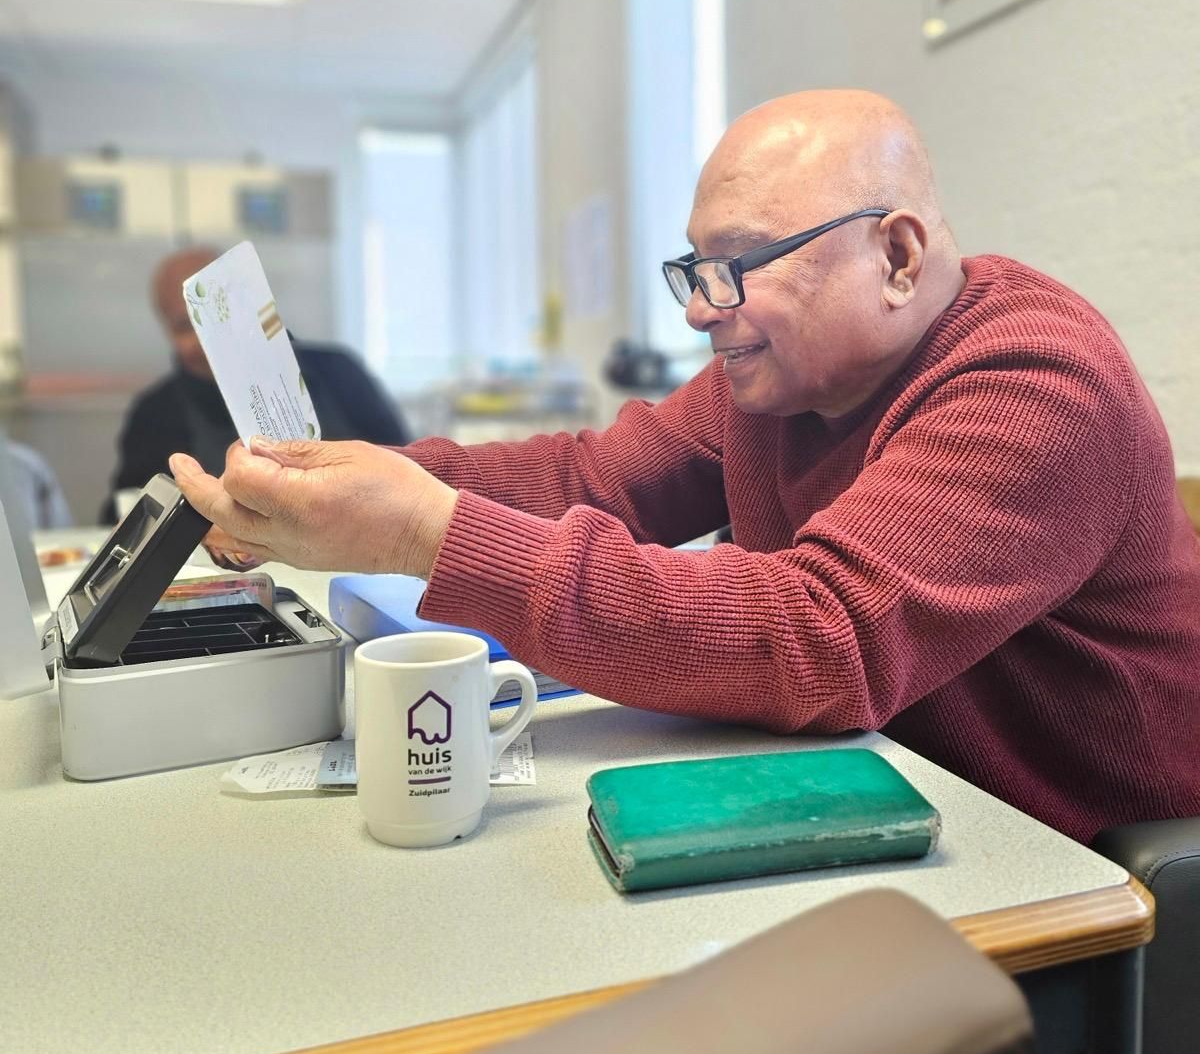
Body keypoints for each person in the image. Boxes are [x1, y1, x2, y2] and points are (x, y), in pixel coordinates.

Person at [170, 90, 1200, 843]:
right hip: (901, 796)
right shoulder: (779, 380)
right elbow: (591, 479)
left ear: (895, 255)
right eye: (696, 269)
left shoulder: (1037, 381)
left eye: (740, 266)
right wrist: (352, 479)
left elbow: (820, 636)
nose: (704, 307)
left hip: (1084, 862)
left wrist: (416, 532)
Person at [102, 246, 409, 523]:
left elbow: (404, 466)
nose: (207, 343)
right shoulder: (154, 414)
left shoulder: (337, 371)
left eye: (215, 321)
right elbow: (133, 518)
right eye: (186, 326)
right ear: (167, 331)